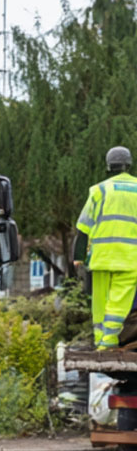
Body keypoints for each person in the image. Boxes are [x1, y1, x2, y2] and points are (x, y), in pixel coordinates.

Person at [75, 145, 137, 350]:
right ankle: (108, 342)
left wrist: (78, 256)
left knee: (100, 301)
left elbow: (83, 227)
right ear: (129, 164)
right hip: (130, 259)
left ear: (109, 166)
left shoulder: (99, 190)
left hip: (101, 257)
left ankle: (99, 341)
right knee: (119, 302)